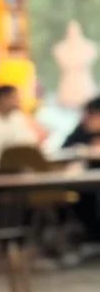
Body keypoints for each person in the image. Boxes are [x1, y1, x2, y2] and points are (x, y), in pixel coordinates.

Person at [0, 84, 42, 173]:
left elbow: (29, 143)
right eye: (14, 98)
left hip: (20, 172)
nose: (17, 102)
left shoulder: (17, 118)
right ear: (2, 98)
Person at [63, 96, 100, 242]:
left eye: (93, 114)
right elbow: (65, 150)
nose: (88, 118)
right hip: (84, 184)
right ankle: (91, 237)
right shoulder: (82, 130)